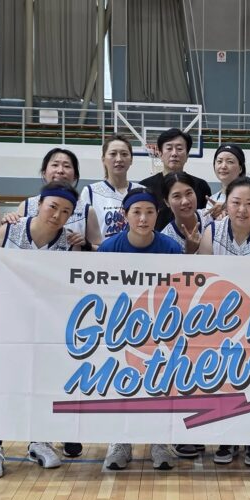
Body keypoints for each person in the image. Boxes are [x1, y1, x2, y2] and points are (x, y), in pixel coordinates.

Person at [0, 181, 82, 478]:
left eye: (65, 211)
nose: (57, 215)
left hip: (48, 325)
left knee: (45, 383)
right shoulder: (11, 229)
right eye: (52, 207)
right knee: (3, 384)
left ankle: (38, 441)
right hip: (8, 322)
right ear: (39, 204)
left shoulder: (69, 242)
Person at [199, 176, 250, 466]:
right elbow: (204, 277)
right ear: (227, 204)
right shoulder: (212, 231)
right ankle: (227, 437)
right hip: (219, 319)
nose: (242, 209)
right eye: (236, 202)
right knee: (224, 379)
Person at [97, 188, 182, 470]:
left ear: (157, 215)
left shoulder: (171, 248)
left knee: (159, 385)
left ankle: (160, 440)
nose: (143, 219)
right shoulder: (109, 248)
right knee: (121, 385)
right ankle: (120, 441)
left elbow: (179, 292)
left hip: (160, 328)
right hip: (120, 328)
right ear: (125, 215)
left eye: (149, 212)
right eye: (136, 212)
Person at [17, 148, 101, 252]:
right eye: (55, 165)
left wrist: (86, 245)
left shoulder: (87, 211)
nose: (60, 171)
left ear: (75, 176)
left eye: (67, 166)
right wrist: (9, 219)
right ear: (44, 172)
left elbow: (100, 250)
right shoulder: (26, 205)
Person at [139, 128, 212, 230]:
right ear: (160, 154)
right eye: (169, 148)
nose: (174, 153)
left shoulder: (201, 186)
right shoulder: (144, 187)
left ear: (187, 155)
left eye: (179, 149)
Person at [81, 134, 143, 238]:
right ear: (103, 159)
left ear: (131, 159)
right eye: (113, 154)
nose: (119, 159)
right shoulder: (90, 192)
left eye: (124, 154)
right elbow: (81, 231)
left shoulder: (141, 191)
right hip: (101, 248)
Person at [161, 172, 214, 254]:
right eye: (176, 196)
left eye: (189, 193)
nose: (185, 201)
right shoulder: (165, 239)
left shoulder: (212, 217)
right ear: (167, 202)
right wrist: (189, 252)